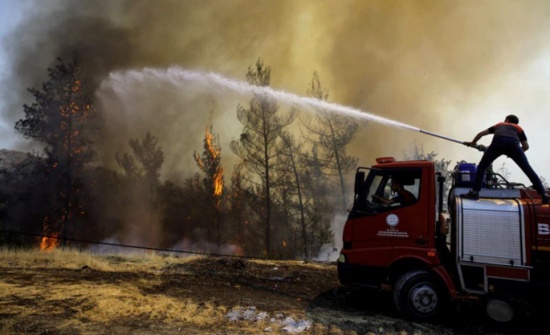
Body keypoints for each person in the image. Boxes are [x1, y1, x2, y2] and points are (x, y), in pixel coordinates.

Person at [462, 114, 549, 204]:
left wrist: (473, 143)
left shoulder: (499, 125)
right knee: (528, 170)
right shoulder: (519, 128)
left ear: (507, 120)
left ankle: (475, 192)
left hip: (497, 144)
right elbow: (526, 147)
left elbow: (481, 134)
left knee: (482, 167)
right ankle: (544, 195)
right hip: (514, 146)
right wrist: (515, 153)